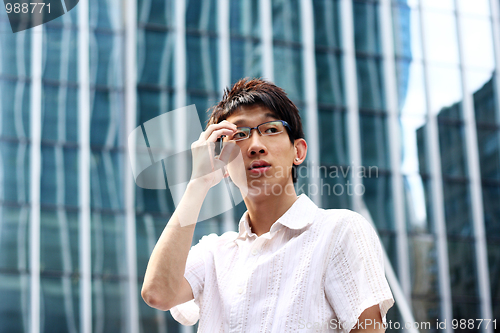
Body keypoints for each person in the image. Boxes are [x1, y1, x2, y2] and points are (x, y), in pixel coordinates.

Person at [141, 78, 394, 332]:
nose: (255, 146)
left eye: (271, 129)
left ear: (298, 151)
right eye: (240, 134)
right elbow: (157, 293)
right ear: (224, 163)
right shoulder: (214, 253)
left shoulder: (338, 231)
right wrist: (198, 183)